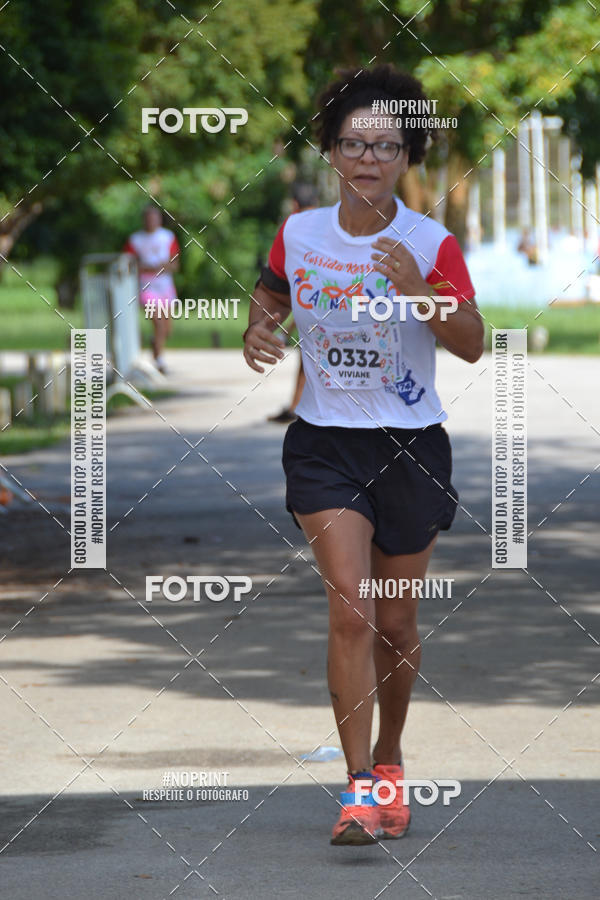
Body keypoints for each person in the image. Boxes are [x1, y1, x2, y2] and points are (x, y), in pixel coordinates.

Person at [242, 64, 483, 846]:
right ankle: (354, 790)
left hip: (411, 447)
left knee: (395, 622)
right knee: (350, 608)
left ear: (407, 155)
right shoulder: (301, 231)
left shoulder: (429, 241)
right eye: (353, 143)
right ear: (332, 151)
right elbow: (273, 288)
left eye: (384, 145)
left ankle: (388, 760)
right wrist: (260, 326)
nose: (367, 159)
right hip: (324, 445)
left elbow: (474, 344)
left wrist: (420, 291)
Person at [267, 182, 318, 424]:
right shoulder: (330, 225)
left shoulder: (294, 229)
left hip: (313, 300)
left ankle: (299, 408)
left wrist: (283, 331)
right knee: (308, 357)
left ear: (295, 205)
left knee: (310, 357)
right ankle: (295, 406)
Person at [123, 204, 180, 374]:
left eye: (154, 218)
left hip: (165, 286)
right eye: (148, 218)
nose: (151, 222)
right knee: (159, 323)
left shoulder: (167, 237)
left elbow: (175, 264)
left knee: (167, 328)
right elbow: (129, 264)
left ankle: (156, 343)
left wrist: (160, 267)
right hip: (146, 287)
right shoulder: (135, 240)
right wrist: (149, 268)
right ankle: (159, 361)